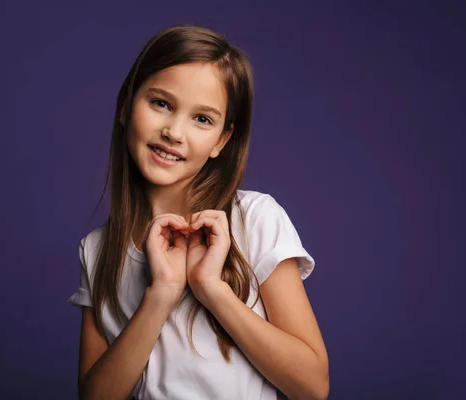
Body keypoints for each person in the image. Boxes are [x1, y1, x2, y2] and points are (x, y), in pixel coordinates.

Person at [68, 24, 329, 400]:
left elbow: (313, 386)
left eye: (202, 119)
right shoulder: (97, 251)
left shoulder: (254, 219)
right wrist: (162, 294)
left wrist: (212, 290)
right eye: (161, 103)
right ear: (126, 106)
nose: (174, 132)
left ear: (222, 140)